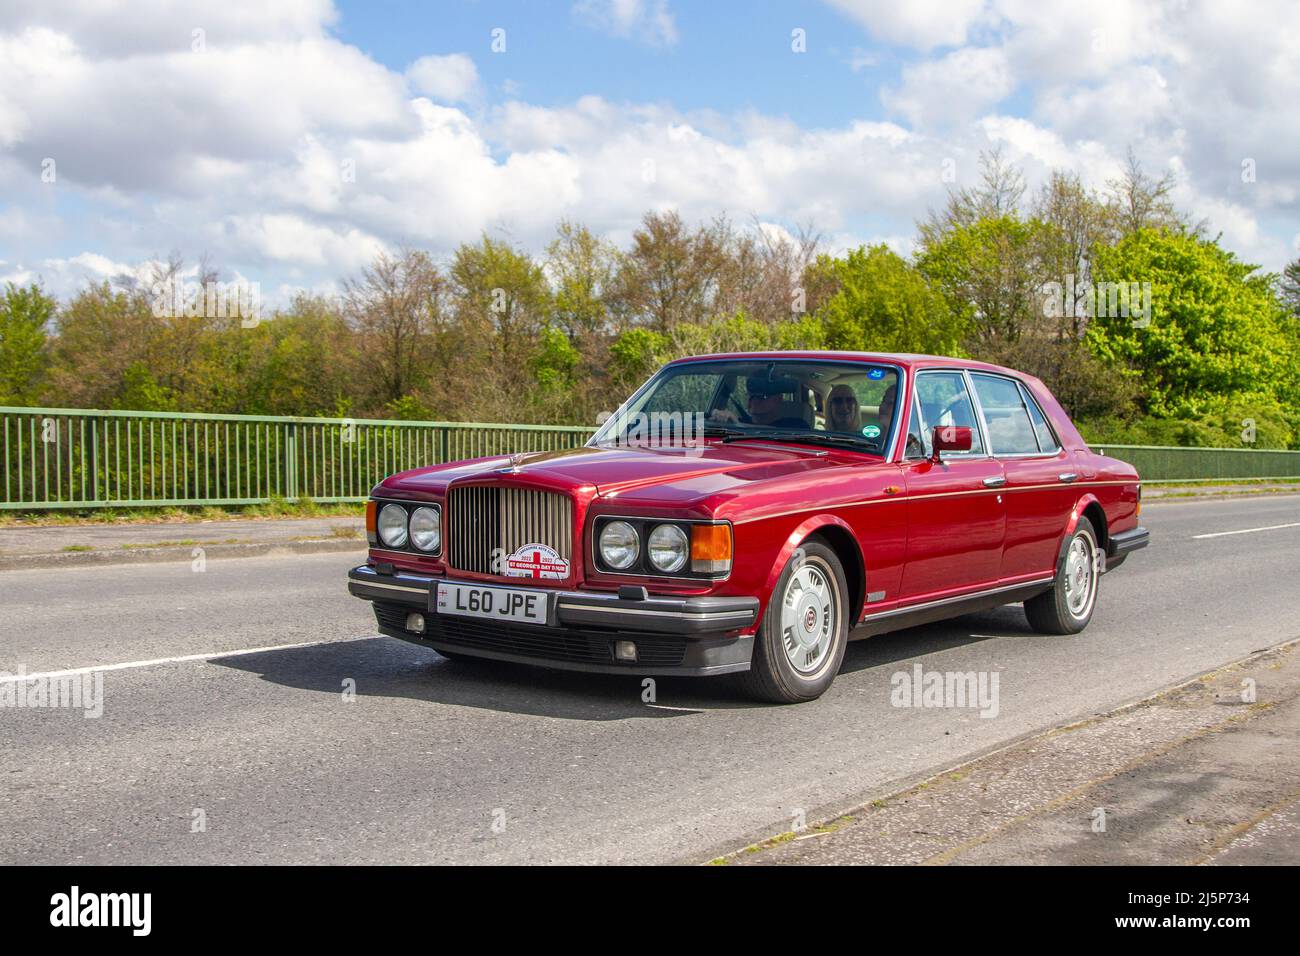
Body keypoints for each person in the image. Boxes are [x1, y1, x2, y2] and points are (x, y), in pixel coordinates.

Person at [711, 375, 807, 428]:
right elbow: (699, 437)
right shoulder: (734, 422)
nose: (752, 401)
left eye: (762, 396)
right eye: (750, 395)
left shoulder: (797, 426)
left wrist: (739, 427)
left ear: (778, 399)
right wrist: (716, 418)